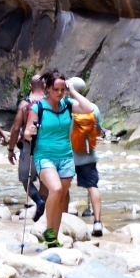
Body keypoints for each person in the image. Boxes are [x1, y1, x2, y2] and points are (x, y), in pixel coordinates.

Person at [22, 70, 96, 248]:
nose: (59, 93)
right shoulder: (37, 108)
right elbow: (26, 132)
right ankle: (48, 229)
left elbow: (89, 108)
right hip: (44, 156)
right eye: (56, 89)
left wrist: (73, 91)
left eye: (62, 89)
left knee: (62, 197)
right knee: (55, 190)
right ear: (47, 88)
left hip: (66, 157)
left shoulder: (68, 105)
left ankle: (52, 238)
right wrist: (30, 133)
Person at [67, 77, 105, 237]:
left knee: (63, 187)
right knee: (92, 186)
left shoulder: (66, 106)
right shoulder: (93, 108)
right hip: (88, 154)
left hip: (68, 155)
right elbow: (98, 130)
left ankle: (64, 219)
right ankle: (97, 222)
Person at [8, 73, 46, 220]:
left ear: (31, 86)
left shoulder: (25, 105)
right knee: (45, 179)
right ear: (44, 86)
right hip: (47, 146)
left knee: (26, 179)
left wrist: (11, 149)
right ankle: (43, 212)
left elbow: (16, 128)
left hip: (29, 145)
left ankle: (38, 201)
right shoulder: (51, 102)